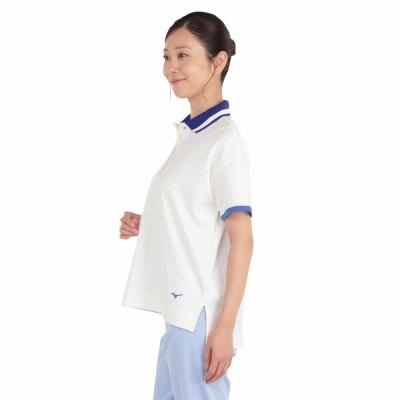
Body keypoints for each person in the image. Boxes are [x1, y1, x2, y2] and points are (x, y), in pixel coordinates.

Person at [119, 11, 254, 400]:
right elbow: (196, 214)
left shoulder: (224, 142)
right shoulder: (192, 135)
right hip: (178, 312)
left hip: (198, 314)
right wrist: (149, 223)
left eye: (182, 55)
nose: (170, 68)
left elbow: (243, 239)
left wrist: (224, 327)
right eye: (166, 56)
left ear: (218, 61)